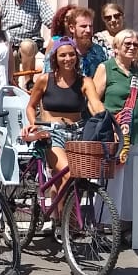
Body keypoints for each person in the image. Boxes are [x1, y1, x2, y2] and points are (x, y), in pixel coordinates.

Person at [93, 29, 138, 237]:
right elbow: (93, 101)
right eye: (127, 44)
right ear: (116, 47)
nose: (132, 47)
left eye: (135, 45)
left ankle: (126, 226)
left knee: (132, 182)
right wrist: (106, 129)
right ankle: (104, 226)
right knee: (113, 181)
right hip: (115, 134)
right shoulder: (106, 68)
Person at [25, 39, 106, 176]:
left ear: (77, 57)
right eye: (62, 55)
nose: (68, 59)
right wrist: (34, 124)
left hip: (78, 132)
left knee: (77, 179)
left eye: (71, 54)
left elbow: (96, 104)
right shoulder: (45, 80)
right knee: (68, 173)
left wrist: (107, 122)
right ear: (55, 58)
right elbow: (31, 107)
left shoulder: (85, 81)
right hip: (52, 133)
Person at [0, 0, 54, 82]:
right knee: (8, 51)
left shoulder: (38, 1)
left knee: (26, 46)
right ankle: (12, 84)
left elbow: (53, 22)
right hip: (8, 42)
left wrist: (54, 43)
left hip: (31, 41)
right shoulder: (3, 1)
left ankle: (28, 82)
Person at [46, 6, 106, 77]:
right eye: (83, 26)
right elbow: (48, 77)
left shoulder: (99, 51)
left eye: (90, 26)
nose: (88, 30)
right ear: (72, 28)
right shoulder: (59, 50)